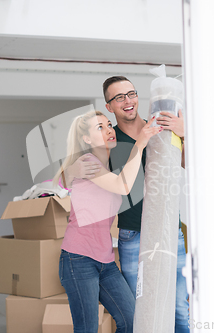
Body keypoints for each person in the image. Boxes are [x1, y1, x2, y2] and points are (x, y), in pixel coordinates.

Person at [65, 76, 190, 333]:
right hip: (132, 235)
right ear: (110, 105)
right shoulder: (109, 143)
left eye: (131, 94)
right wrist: (69, 171)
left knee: (178, 309)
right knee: (141, 313)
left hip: (168, 231)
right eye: (119, 97)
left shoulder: (162, 126)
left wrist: (186, 135)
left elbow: (189, 164)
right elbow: (81, 170)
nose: (128, 101)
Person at [54, 110, 162, 333]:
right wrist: (139, 145)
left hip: (106, 261)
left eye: (108, 125)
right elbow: (122, 186)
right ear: (86, 139)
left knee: (131, 320)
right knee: (87, 329)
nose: (109, 130)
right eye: (99, 128)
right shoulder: (88, 162)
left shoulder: (109, 164)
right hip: (79, 259)